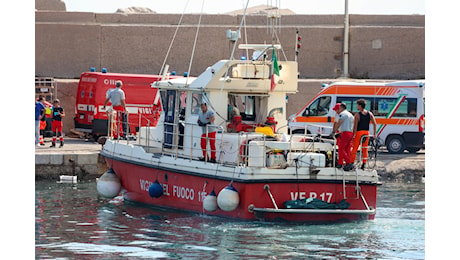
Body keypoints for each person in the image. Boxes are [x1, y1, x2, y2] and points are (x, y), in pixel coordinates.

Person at [351, 99, 377, 169]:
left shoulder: (357, 115)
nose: (356, 106)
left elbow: (355, 127)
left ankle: (351, 162)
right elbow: (374, 123)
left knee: (355, 148)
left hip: (359, 132)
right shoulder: (370, 114)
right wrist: (374, 134)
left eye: (357, 105)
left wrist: (353, 136)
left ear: (360, 106)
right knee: (365, 148)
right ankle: (364, 163)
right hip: (366, 132)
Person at [331, 103, 355, 171]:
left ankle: (349, 162)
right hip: (350, 133)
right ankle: (348, 163)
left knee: (341, 149)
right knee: (347, 149)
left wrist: (334, 131)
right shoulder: (350, 115)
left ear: (341, 107)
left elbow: (339, 122)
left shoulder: (342, 114)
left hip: (345, 133)